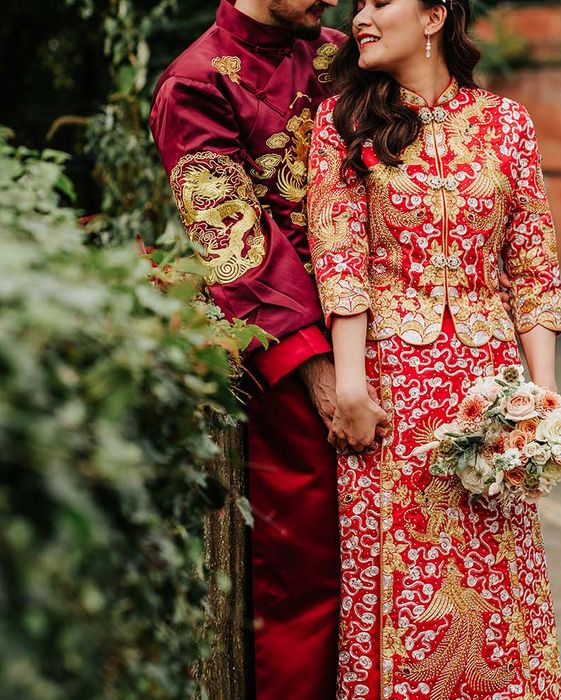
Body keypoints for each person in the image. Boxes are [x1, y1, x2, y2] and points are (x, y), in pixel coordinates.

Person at [306, 0, 561, 696]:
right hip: (394, 391)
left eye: (378, 2)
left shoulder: (507, 122)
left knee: (497, 576)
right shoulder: (342, 125)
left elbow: (532, 264)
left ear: (433, 17)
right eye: (355, 4)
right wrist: (352, 385)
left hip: (489, 393)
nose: (360, 15)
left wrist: (539, 401)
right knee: (400, 587)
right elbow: (341, 261)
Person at [149, 1, 346, 697]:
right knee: (311, 579)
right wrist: (322, 373)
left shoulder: (346, 53)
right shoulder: (196, 84)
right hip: (294, 366)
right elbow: (234, 249)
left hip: (392, 340)